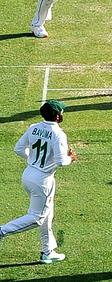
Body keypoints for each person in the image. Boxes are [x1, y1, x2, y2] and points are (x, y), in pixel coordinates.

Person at [0, 100, 77, 264]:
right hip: (43, 180)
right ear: (57, 116)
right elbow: (61, 161)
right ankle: (2, 231)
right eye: (62, 112)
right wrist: (71, 158)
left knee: (47, 215)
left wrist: (33, 162)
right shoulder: (58, 134)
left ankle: (47, 251)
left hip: (28, 175)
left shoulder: (33, 127)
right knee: (37, 218)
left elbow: (18, 149)